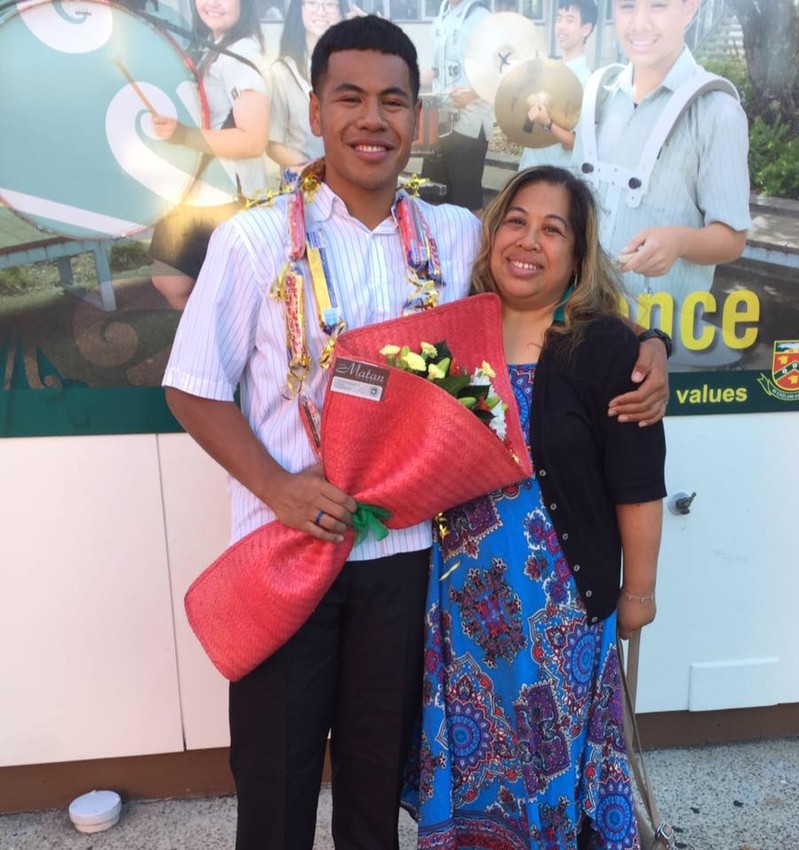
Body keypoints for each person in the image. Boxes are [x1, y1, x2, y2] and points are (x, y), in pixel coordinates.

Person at [163, 15, 666, 850]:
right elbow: (193, 391)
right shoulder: (252, 243)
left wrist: (651, 346)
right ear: (316, 110)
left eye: (393, 100)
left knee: (375, 792)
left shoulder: (454, 236)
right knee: (275, 793)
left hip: (406, 570)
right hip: (291, 561)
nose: (373, 118)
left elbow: (554, 302)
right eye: (350, 97)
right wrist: (280, 488)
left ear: (417, 118)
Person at [403, 165, 666, 849]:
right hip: (458, 618)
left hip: (562, 622)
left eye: (554, 229)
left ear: (578, 257)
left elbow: (637, 483)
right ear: (493, 236)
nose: (529, 240)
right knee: (472, 769)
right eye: (516, 220)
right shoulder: (456, 338)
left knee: (550, 774)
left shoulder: (605, 348)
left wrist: (638, 594)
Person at [571, 0, 750, 360]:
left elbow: (732, 238)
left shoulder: (717, 111)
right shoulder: (599, 96)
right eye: (627, 7)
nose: (639, 23)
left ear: (690, 9)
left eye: (658, 6)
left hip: (665, 341)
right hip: (583, 328)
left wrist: (679, 242)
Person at [149, 0, 271, 310]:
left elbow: (253, 140)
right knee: (174, 281)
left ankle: (221, 345)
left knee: (184, 283)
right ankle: (216, 343)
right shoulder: (214, 46)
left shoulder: (242, 54)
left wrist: (183, 135)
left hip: (227, 195)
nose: (212, 3)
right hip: (199, 191)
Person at [422, 0, 493, 214]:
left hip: (469, 123)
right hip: (437, 120)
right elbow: (434, 71)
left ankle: (474, 247)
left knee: (466, 200)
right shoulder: (440, 16)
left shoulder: (482, 17)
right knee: (430, 193)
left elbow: (501, 72)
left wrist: (472, 94)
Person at [266, 0, 349, 172]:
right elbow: (272, 144)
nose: (321, 11)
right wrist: (316, 171)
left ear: (341, 12)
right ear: (300, 10)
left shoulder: (354, 69)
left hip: (351, 185)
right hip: (304, 187)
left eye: (330, 5)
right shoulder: (282, 72)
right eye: (312, 3)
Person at [519, 0, 597, 172]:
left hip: (556, 178)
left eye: (569, 20)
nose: (561, 26)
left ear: (586, 29)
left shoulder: (587, 82)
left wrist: (548, 123)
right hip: (529, 169)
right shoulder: (550, 71)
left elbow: (579, 146)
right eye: (558, 19)